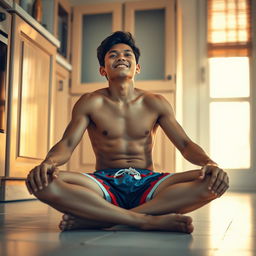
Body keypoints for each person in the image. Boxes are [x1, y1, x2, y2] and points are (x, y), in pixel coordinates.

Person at [26, 31, 229, 234]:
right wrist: (48, 163)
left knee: (215, 180)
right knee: (40, 182)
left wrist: (209, 163)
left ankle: (103, 219)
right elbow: (67, 144)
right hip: (103, 183)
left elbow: (185, 144)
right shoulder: (90, 102)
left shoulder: (155, 102)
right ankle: (145, 220)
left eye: (127, 54)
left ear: (137, 67)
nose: (121, 57)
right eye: (113, 55)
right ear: (103, 70)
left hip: (149, 181)